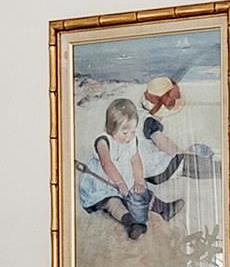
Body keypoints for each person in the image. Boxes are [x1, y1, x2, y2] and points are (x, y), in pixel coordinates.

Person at [75, 96, 180, 239]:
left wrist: (139, 181)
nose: (129, 137)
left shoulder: (131, 140)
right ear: (112, 127)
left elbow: (135, 159)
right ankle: (131, 223)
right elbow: (107, 163)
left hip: (123, 177)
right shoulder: (103, 141)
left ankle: (164, 209)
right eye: (125, 132)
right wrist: (119, 183)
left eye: (133, 131)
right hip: (101, 184)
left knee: (142, 193)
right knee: (114, 203)